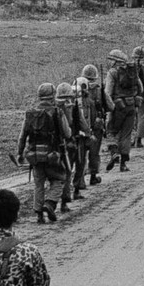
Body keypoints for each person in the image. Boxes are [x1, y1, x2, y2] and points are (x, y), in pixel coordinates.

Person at [15, 84, 71, 224]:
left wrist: (20, 153)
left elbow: (22, 136)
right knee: (59, 180)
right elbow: (67, 133)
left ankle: (39, 214)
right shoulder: (58, 112)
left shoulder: (30, 114)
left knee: (38, 184)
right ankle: (49, 204)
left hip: (35, 156)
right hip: (53, 155)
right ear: (52, 96)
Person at [55, 82, 90, 213]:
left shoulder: (55, 108)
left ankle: (59, 200)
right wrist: (88, 134)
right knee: (74, 168)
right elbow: (83, 124)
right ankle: (67, 198)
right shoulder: (74, 108)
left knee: (60, 172)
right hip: (72, 142)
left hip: (57, 145)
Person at [104, 49, 137, 173]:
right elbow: (139, 87)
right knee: (126, 134)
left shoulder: (112, 73)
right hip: (131, 105)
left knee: (111, 130)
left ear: (115, 61)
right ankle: (123, 164)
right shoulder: (132, 72)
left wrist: (107, 109)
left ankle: (114, 153)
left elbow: (108, 92)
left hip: (117, 107)